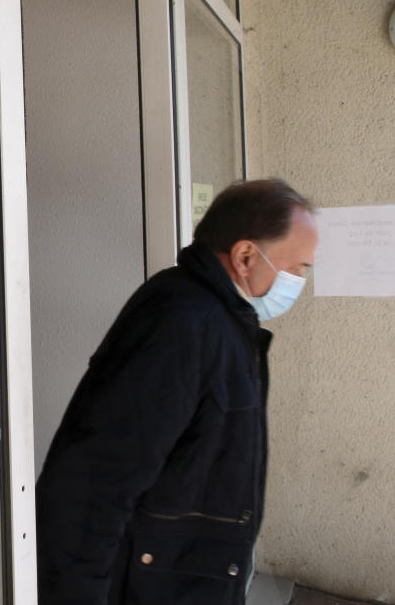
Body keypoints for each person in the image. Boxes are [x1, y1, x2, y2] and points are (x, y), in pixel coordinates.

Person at [36, 178, 319, 605]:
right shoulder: (184, 322)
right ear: (245, 255)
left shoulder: (223, 319)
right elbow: (98, 481)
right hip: (151, 585)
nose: (299, 280)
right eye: (298, 267)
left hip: (185, 578)